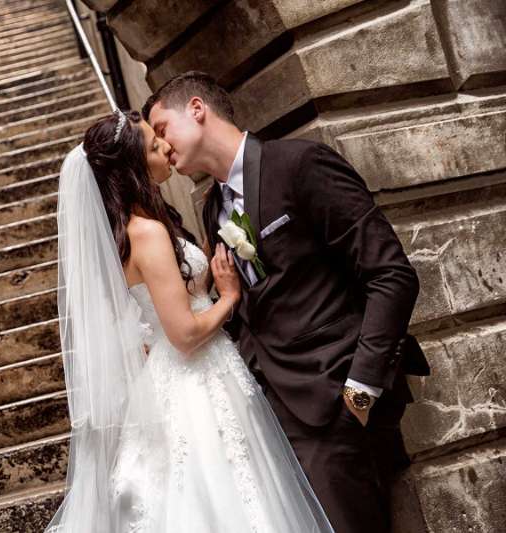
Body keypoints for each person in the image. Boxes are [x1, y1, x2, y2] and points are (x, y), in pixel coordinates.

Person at [143, 71, 431, 533]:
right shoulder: (211, 208)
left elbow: (390, 274)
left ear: (197, 110)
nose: (162, 146)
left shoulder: (299, 164)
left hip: (337, 397)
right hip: (275, 411)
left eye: (162, 129)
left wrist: (361, 389)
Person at [46, 109, 334, 532]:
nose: (164, 146)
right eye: (152, 145)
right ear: (132, 167)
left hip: (194, 373)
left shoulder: (138, 227)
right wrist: (229, 297)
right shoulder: (146, 232)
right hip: (194, 378)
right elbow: (183, 334)